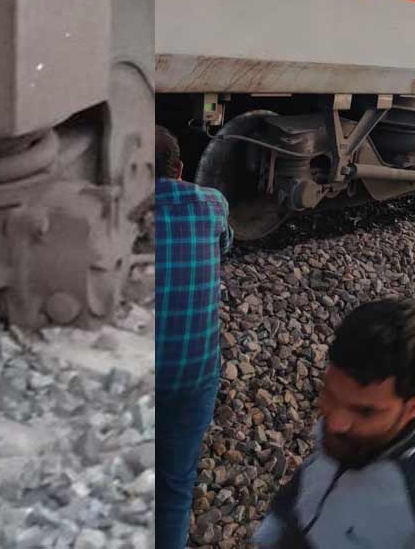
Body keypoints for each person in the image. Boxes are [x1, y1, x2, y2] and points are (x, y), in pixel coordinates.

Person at [253, 300, 415, 548]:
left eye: (365, 412)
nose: (335, 423)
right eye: (329, 393)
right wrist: (275, 526)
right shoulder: (352, 429)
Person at [155, 126, 233, 549]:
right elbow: (225, 245)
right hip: (191, 375)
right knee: (176, 483)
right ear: (181, 169)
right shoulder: (212, 205)